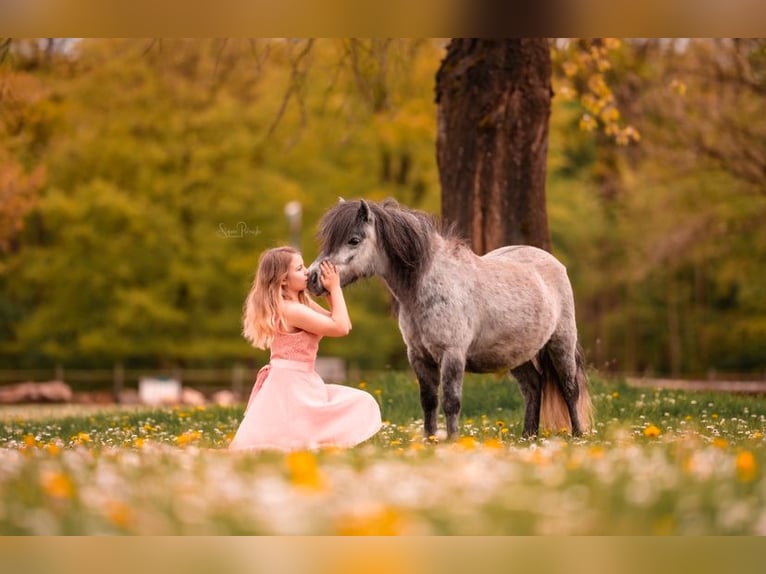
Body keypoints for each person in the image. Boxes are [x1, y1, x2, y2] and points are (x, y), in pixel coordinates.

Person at [229, 246, 382, 452]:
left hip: (303, 380)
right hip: (290, 385)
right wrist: (336, 288)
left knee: (358, 403)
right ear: (284, 279)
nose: (307, 272)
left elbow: (336, 319)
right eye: (300, 269)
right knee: (292, 439)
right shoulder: (291, 310)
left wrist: (329, 292)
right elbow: (341, 327)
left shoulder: (301, 303)